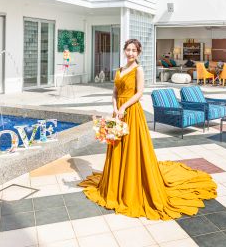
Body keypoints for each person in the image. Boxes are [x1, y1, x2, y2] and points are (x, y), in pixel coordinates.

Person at [79, 39, 217, 220]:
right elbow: (114, 92)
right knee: (117, 146)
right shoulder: (119, 70)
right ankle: (116, 183)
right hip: (118, 112)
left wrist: (123, 107)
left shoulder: (139, 70)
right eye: (128, 50)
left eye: (134, 50)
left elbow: (139, 93)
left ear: (138, 53)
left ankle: (131, 183)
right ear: (124, 51)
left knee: (132, 148)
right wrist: (115, 107)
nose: (130, 53)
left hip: (131, 112)